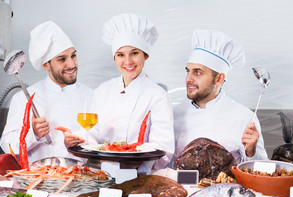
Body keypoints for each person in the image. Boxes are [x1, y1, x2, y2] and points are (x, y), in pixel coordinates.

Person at [58, 13, 174, 173]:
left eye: (134, 53)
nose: (128, 61)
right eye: (121, 55)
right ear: (114, 58)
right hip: (100, 174)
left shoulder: (158, 95)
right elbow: (92, 133)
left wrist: (131, 159)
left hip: (140, 177)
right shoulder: (102, 91)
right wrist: (75, 140)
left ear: (145, 55)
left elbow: (163, 148)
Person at [0, 21, 93, 166]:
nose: (72, 64)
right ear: (46, 65)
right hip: (37, 182)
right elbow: (7, 146)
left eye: (73, 56)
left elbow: (102, 142)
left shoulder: (91, 96)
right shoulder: (23, 98)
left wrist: (78, 142)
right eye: (62, 59)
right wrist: (33, 135)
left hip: (79, 182)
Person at [174, 29, 268, 164]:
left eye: (198, 72)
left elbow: (263, 171)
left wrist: (251, 152)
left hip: (224, 185)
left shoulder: (244, 118)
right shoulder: (173, 113)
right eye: (188, 71)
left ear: (219, 79)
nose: (188, 79)